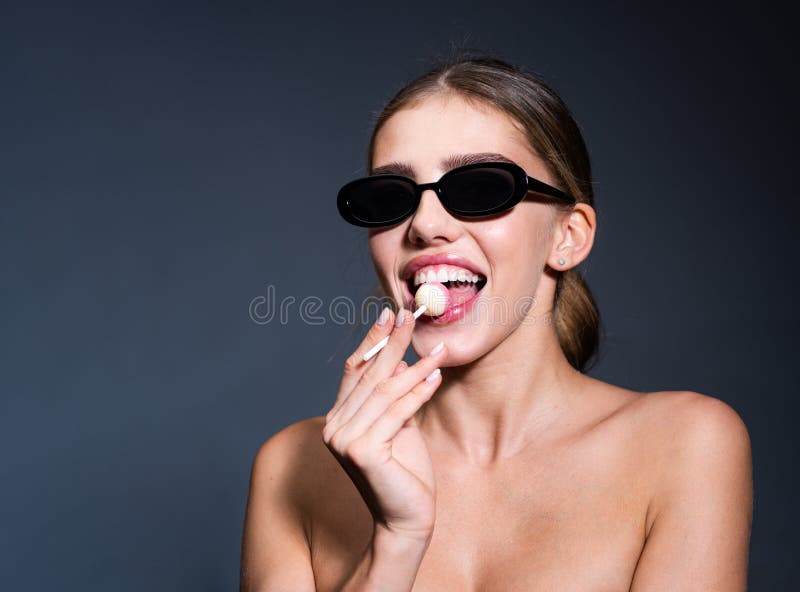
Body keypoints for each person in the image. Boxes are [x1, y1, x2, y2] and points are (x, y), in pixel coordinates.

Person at [239, 54, 753, 591]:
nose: (425, 225)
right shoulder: (294, 467)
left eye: (480, 188)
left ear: (567, 236)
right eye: (391, 198)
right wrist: (397, 538)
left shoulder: (684, 444)